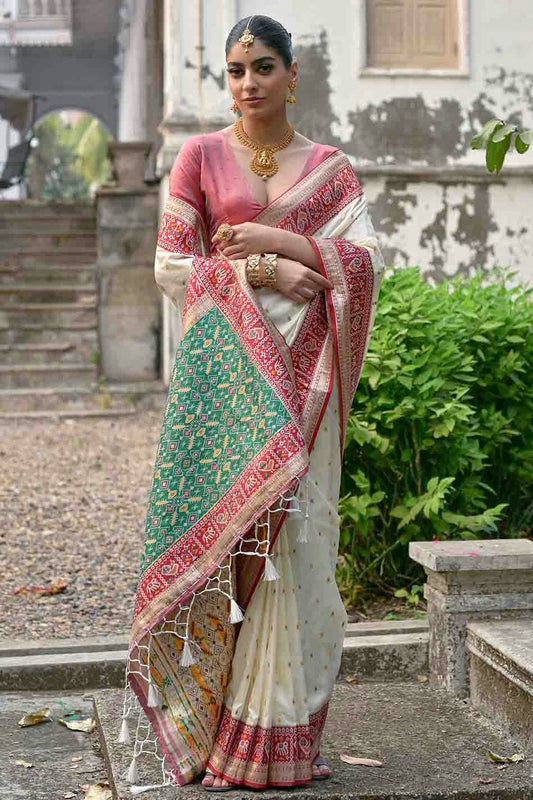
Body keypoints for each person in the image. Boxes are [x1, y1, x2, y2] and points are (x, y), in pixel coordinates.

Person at [120, 14, 384, 793]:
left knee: (300, 549)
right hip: (229, 385)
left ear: (291, 75)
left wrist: (286, 248)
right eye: (235, 70)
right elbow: (173, 266)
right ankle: (211, 730)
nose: (247, 83)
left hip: (309, 380)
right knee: (231, 542)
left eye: (263, 67)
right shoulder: (198, 156)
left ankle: (281, 734)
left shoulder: (331, 170)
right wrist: (264, 274)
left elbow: (363, 263)